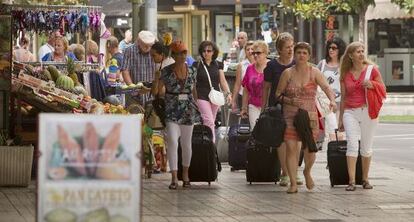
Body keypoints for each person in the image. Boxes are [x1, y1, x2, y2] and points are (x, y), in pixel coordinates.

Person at [276, 42, 336, 194]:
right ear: (294, 55)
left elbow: (327, 88)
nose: (301, 55)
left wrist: (332, 101)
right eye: (298, 52)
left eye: (304, 53)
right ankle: (293, 183)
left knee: (310, 149)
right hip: (290, 115)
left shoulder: (314, 72)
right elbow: (277, 95)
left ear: (309, 56)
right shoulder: (287, 73)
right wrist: (289, 100)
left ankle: (307, 171)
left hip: (310, 116)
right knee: (291, 148)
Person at [338, 42, 385, 191]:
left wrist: (371, 84)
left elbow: (383, 89)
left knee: (366, 147)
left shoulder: (372, 70)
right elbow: (343, 97)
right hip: (350, 112)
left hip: (368, 111)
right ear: (351, 55)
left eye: (362, 51)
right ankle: (351, 181)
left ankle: (365, 179)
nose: (361, 53)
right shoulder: (345, 74)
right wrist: (340, 119)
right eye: (358, 51)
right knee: (352, 144)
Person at [154, 40, 200, 189]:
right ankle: (174, 176)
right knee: (173, 141)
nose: (182, 56)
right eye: (178, 53)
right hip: (171, 108)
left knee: (186, 143)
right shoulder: (166, 72)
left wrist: (197, 105)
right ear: (173, 55)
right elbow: (155, 92)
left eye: (184, 53)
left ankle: (185, 174)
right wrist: (156, 79)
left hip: (188, 109)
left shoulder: (192, 70)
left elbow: (193, 90)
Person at [261, 32, 295, 187]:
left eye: (292, 46)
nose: (290, 50)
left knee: (293, 139)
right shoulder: (272, 66)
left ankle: (293, 170)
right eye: (287, 47)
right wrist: (264, 108)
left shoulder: (297, 64)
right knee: (280, 139)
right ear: (279, 50)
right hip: (277, 106)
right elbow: (266, 87)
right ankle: (285, 172)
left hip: (295, 106)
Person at [194, 40, 232, 143]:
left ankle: (207, 144)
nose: (206, 53)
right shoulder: (196, 64)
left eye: (209, 51)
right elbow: (192, 83)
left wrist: (228, 93)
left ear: (214, 52)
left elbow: (222, 81)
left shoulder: (218, 64)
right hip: (201, 96)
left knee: (212, 121)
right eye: (204, 51)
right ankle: (211, 145)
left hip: (215, 97)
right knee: (209, 121)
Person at [316, 37, 346, 142]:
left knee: (339, 131)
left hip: (341, 102)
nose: (331, 50)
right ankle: (331, 150)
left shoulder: (344, 65)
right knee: (328, 131)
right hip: (324, 103)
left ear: (340, 50)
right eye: (329, 47)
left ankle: (336, 154)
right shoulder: (322, 64)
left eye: (334, 48)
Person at [121, 30, 156, 105]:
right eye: (145, 45)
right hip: (134, 95)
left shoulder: (154, 51)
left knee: (152, 116)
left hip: (152, 94)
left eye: (149, 45)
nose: (148, 48)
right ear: (138, 42)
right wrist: (134, 89)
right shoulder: (129, 51)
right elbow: (125, 71)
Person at [240, 41, 269, 129]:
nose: (255, 55)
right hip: (253, 106)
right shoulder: (249, 68)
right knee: (255, 131)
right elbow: (246, 89)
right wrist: (244, 108)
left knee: (268, 132)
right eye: (254, 53)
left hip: (268, 107)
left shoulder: (271, 66)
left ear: (265, 53)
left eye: (258, 53)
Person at [231, 41, 254, 113]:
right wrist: (233, 100)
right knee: (245, 120)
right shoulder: (241, 65)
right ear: (245, 52)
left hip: (257, 97)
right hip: (243, 96)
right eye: (248, 49)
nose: (250, 51)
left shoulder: (261, 64)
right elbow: (238, 84)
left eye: (252, 49)